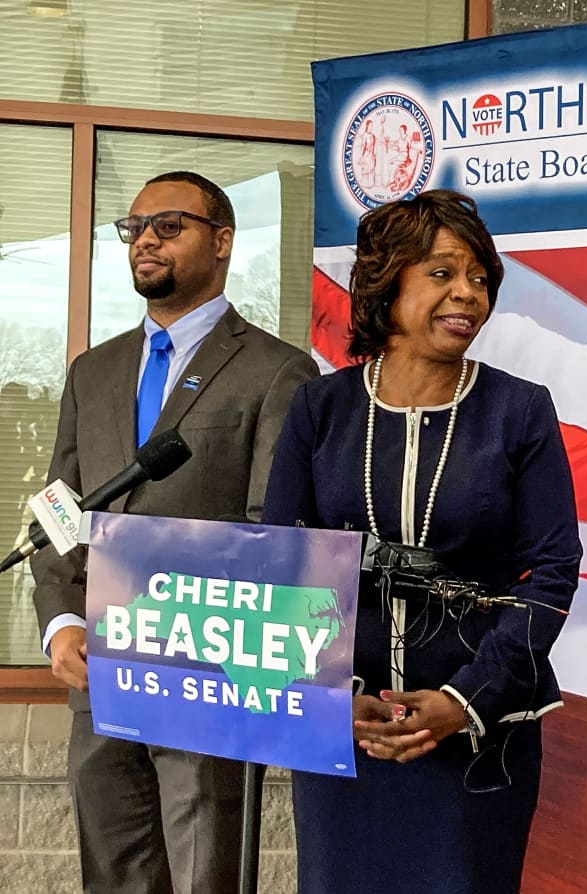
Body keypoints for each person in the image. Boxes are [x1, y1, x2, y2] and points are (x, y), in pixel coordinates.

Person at [262, 189, 582, 894]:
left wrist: (463, 701)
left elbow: (552, 571)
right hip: (343, 730)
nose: (467, 292)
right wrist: (333, 697)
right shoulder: (321, 407)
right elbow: (280, 561)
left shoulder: (520, 410)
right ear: (388, 282)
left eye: (479, 277)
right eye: (442, 273)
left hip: (478, 733)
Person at [30, 170, 319, 893]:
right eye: (134, 228)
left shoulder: (277, 371)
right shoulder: (92, 372)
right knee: (113, 871)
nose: (145, 241)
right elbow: (61, 509)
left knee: (202, 876)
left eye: (168, 224)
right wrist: (62, 620)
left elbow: (272, 531)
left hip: (201, 677)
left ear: (222, 241)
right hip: (97, 674)